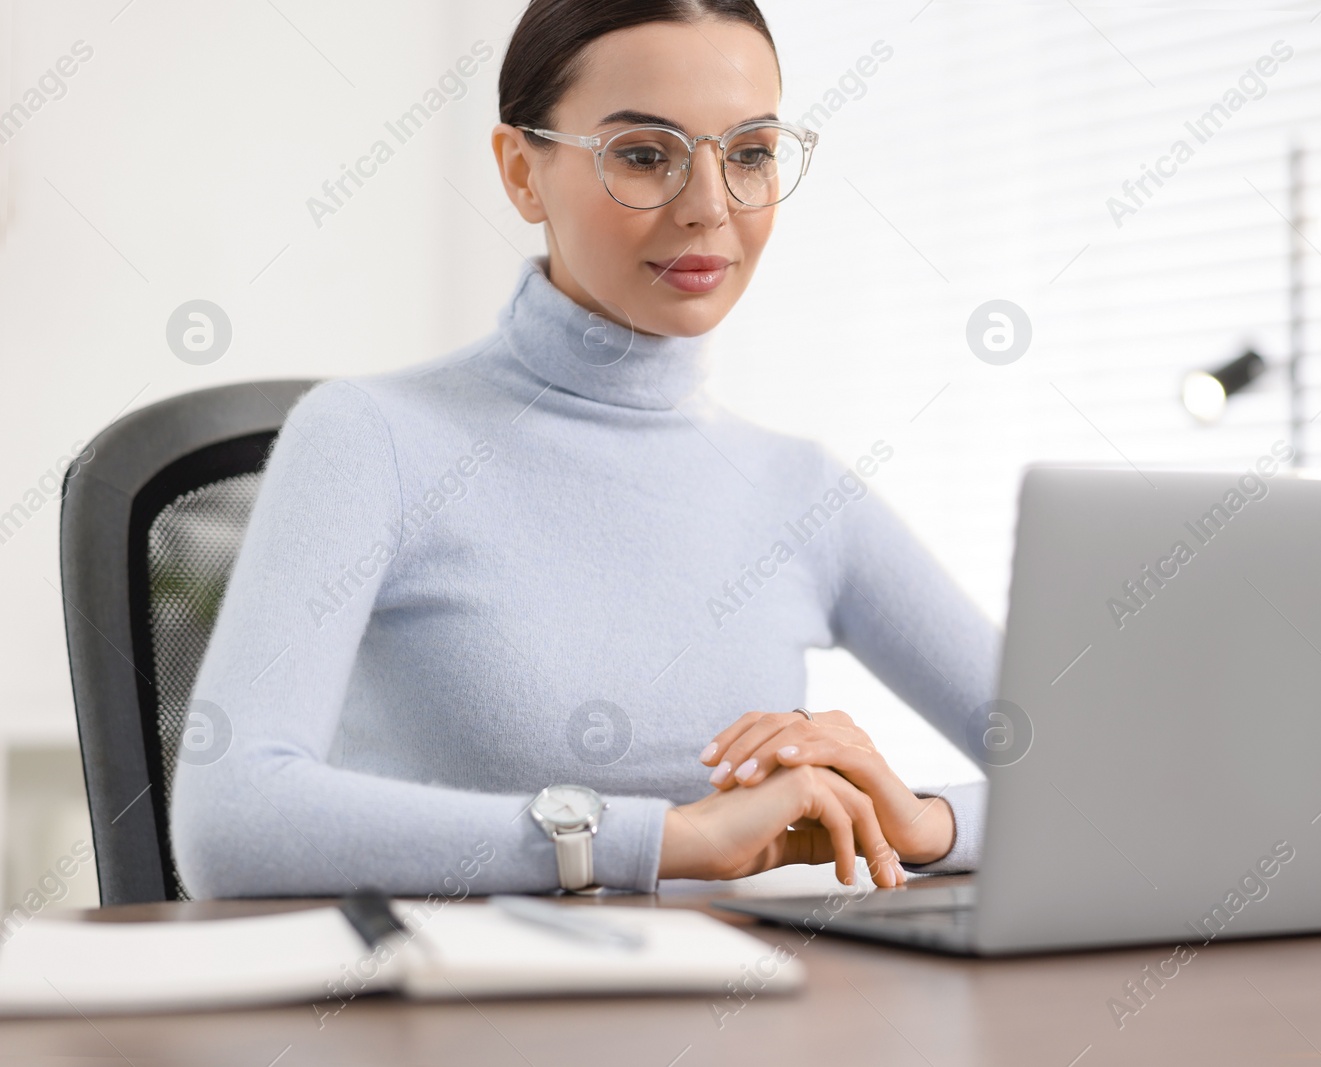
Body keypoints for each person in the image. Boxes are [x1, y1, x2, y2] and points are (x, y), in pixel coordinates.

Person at [170, 0, 999, 898]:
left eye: (751, 153)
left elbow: (1122, 782)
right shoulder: (369, 439)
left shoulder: (803, 490)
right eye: (645, 156)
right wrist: (662, 838)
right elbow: (231, 820)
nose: (710, 208)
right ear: (522, 172)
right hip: (457, 1025)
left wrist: (925, 822)